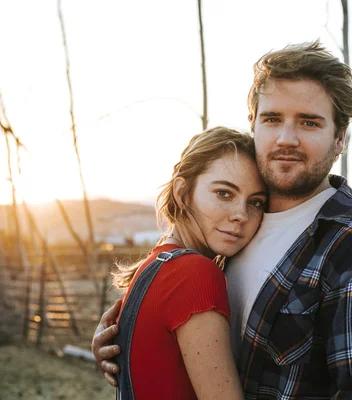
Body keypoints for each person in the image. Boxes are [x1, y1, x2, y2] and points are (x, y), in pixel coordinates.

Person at [93, 41, 352, 399]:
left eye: (309, 122)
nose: (286, 138)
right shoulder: (234, 232)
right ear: (254, 126)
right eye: (272, 119)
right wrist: (126, 339)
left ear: (339, 140)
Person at [108, 126, 267, 399]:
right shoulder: (195, 273)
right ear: (183, 194)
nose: (241, 214)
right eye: (224, 194)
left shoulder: (155, 264)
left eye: (255, 202)